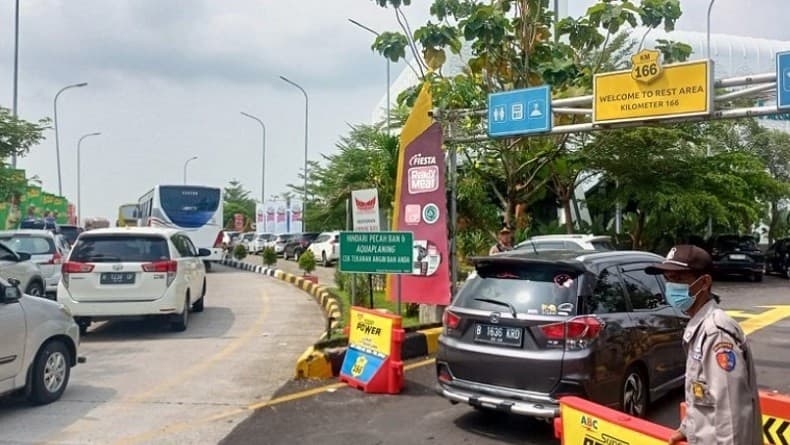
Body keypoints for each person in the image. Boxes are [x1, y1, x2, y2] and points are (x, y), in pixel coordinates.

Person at [644, 245, 761, 445]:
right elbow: (703, 399)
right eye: (668, 279)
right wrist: (688, 428)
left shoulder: (716, 334)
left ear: (704, 282)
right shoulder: (699, 327)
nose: (671, 286)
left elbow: (730, 414)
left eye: (679, 279)